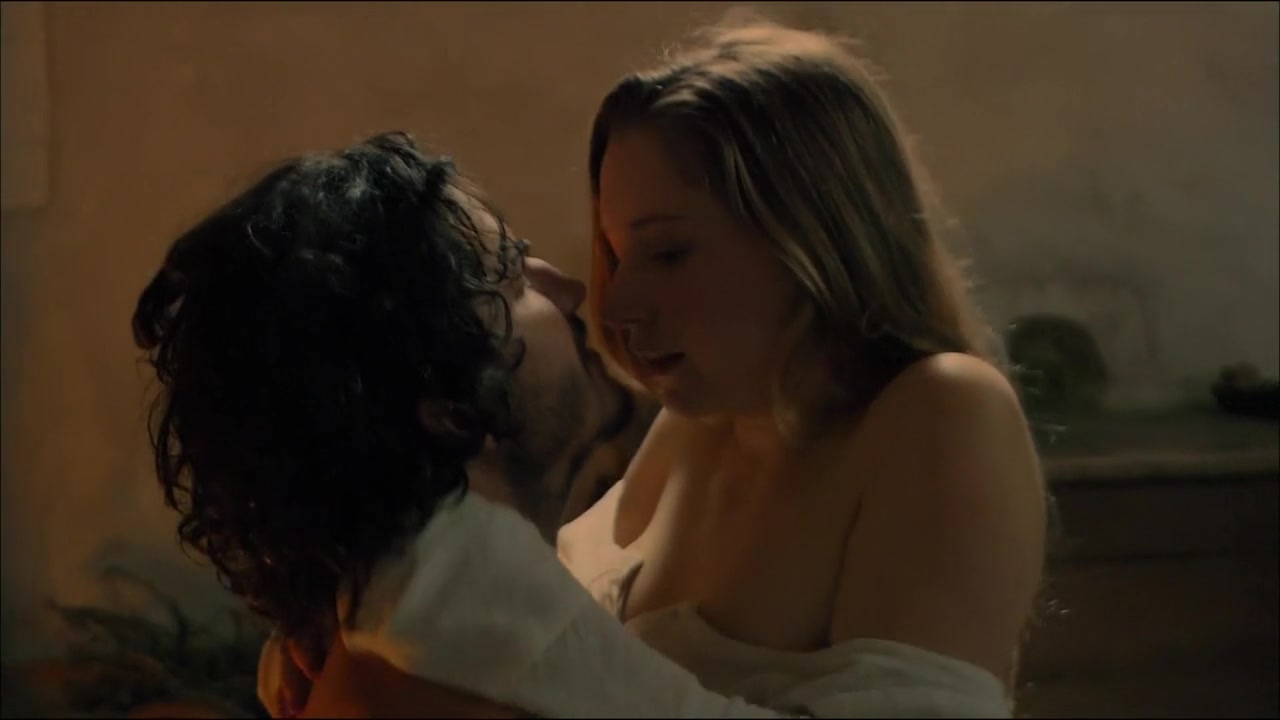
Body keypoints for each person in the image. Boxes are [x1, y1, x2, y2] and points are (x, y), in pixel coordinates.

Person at [273, 15, 1047, 720]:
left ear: (813, 235)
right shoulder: (699, 420)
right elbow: (531, 637)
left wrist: (459, 623)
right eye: (614, 253)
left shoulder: (940, 410)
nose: (615, 303)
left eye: (668, 253)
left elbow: (543, 649)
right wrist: (351, 629)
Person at [129, 131, 639, 717]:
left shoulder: (417, 628)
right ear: (450, 408)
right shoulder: (464, 671)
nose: (573, 291)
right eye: (515, 282)